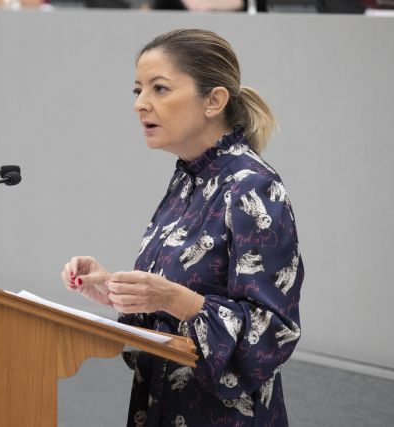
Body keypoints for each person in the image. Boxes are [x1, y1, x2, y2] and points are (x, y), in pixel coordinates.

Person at [60, 29, 303, 426]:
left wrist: (176, 300)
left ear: (214, 100)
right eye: (137, 90)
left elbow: (272, 332)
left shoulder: (252, 187)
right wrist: (118, 294)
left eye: (159, 88)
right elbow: (173, 304)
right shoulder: (190, 178)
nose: (141, 104)